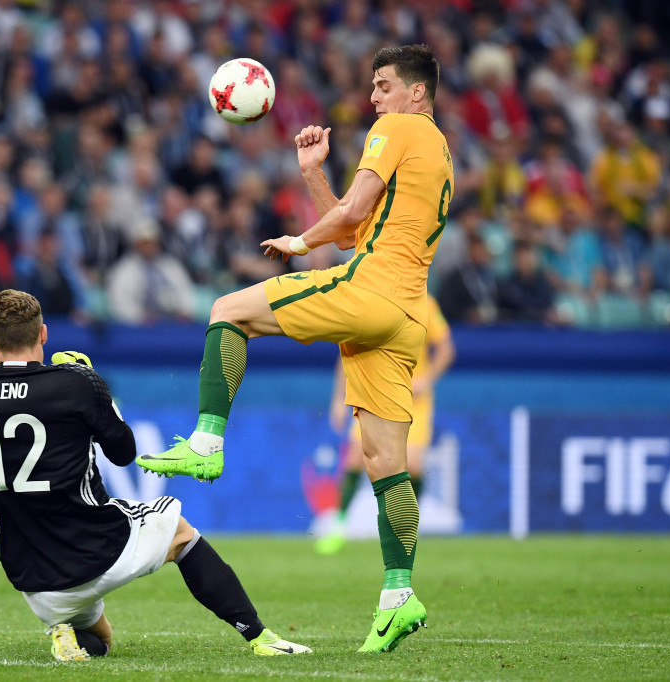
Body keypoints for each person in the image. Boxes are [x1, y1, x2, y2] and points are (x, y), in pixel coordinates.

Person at [136, 44, 453, 653]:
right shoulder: (436, 150)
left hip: (373, 290)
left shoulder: (398, 127)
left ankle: (206, 441)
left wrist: (299, 240)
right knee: (389, 462)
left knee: (228, 311)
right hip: (406, 312)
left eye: (384, 85)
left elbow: (349, 219)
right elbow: (359, 226)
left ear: (417, 94)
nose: (374, 98)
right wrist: (312, 173)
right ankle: (397, 593)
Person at [0, 289, 311, 661]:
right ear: (43, 333)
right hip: (93, 547)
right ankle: (259, 636)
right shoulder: (74, 383)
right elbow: (123, 453)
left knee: (101, 641)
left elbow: (2, 391)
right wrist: (96, 386)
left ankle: (62, 630)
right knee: (180, 533)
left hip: (31, 575)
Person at [316, 296, 454, 555]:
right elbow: (346, 353)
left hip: (413, 399)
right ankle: (338, 525)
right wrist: (337, 399)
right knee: (355, 457)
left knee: (412, 465)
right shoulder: (371, 298)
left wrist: (426, 380)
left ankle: (410, 523)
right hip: (373, 393)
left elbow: (446, 350)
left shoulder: (425, 304)